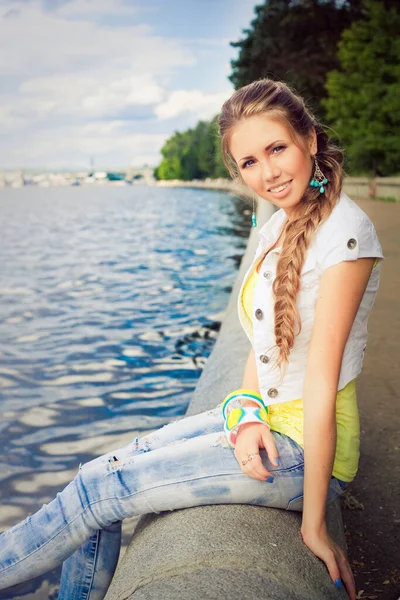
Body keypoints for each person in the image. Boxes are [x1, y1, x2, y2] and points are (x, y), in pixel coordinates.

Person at [0, 79, 384, 600]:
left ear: (310, 140)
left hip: (308, 450)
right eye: (249, 162)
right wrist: (246, 413)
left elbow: (320, 381)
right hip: (269, 422)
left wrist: (315, 523)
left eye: (277, 149)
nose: (267, 172)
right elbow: (262, 347)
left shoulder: (346, 234)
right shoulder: (276, 228)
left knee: (100, 490)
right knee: (99, 472)